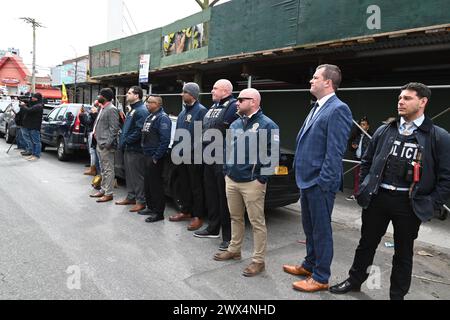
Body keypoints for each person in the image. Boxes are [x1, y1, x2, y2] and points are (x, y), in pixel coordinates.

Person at [329, 83, 450, 300]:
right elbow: (367, 161)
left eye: (407, 98)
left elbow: (446, 177)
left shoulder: (437, 136)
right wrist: (366, 186)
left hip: (409, 203)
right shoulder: (385, 130)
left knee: (403, 253)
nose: (401, 102)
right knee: (366, 244)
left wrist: (432, 203)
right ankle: (354, 281)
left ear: (423, 102)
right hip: (379, 198)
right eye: (400, 98)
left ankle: (397, 295)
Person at [284, 64, 353, 292]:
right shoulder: (318, 107)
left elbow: (334, 152)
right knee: (310, 228)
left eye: (315, 77)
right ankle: (310, 265)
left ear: (328, 82)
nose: (310, 81)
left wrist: (323, 182)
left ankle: (321, 276)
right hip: (307, 180)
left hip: (319, 183)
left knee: (321, 231)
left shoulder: (338, 109)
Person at [214, 88, 280, 278]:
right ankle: (234, 250)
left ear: (254, 102)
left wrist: (262, 178)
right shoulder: (235, 124)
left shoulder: (268, 125)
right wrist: (226, 170)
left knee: (257, 222)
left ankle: (258, 261)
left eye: (241, 99)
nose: (237, 102)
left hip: (252, 182)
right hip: (232, 180)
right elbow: (227, 148)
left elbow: (273, 154)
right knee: (235, 217)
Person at [194, 79, 239, 252]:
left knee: (224, 198)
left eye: (215, 88)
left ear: (226, 90)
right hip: (208, 156)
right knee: (211, 194)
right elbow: (205, 128)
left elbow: (223, 127)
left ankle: (228, 237)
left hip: (222, 157)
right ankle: (213, 228)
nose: (212, 91)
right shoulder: (213, 107)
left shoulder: (233, 105)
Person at [169, 82, 208, 231]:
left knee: (196, 187)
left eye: (184, 92)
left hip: (194, 157)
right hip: (180, 156)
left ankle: (197, 216)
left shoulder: (201, 111)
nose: (181, 94)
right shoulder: (182, 113)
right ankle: (185, 211)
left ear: (191, 94)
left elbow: (201, 136)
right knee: (184, 185)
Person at [115, 86, 149, 213]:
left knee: (137, 176)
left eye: (129, 93)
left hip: (136, 149)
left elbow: (139, 131)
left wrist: (127, 140)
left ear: (137, 95)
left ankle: (140, 201)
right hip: (128, 148)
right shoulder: (133, 110)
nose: (127, 95)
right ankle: (131, 197)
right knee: (129, 175)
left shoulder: (141, 110)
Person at [140, 95, 172, 223]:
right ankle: (150, 207)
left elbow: (165, 140)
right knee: (148, 184)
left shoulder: (162, 118)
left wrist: (156, 157)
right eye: (147, 102)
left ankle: (158, 213)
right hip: (147, 155)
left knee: (156, 186)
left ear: (157, 104)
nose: (147, 104)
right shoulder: (150, 116)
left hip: (155, 157)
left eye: (149, 102)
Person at [89, 88, 121, 203]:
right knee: (102, 169)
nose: (98, 97)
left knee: (108, 170)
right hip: (99, 143)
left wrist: (107, 144)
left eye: (100, 95)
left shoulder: (112, 109)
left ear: (105, 97)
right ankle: (103, 190)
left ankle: (109, 193)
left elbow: (114, 129)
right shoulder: (102, 108)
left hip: (105, 145)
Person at [347, 117, 372, 200]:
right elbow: (350, 147)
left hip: (366, 162)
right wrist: (353, 146)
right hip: (356, 160)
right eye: (361, 125)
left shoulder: (371, 136)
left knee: (365, 178)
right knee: (357, 177)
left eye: (364, 125)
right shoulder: (356, 136)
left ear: (368, 126)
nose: (362, 126)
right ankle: (355, 194)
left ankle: (363, 195)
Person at [20, 93, 44, 161]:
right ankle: (33, 154)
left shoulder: (39, 106)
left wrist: (23, 105)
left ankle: (37, 155)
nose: (32, 98)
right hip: (31, 126)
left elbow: (29, 110)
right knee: (33, 141)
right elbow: (30, 106)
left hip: (35, 126)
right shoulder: (35, 105)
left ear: (37, 98)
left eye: (34, 97)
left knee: (36, 142)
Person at [79, 104, 100, 176]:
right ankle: (93, 168)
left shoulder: (95, 115)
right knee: (93, 151)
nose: (92, 108)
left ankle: (93, 169)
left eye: (94, 107)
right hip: (92, 133)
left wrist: (82, 114)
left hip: (92, 133)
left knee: (92, 151)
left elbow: (87, 122)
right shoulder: (95, 114)